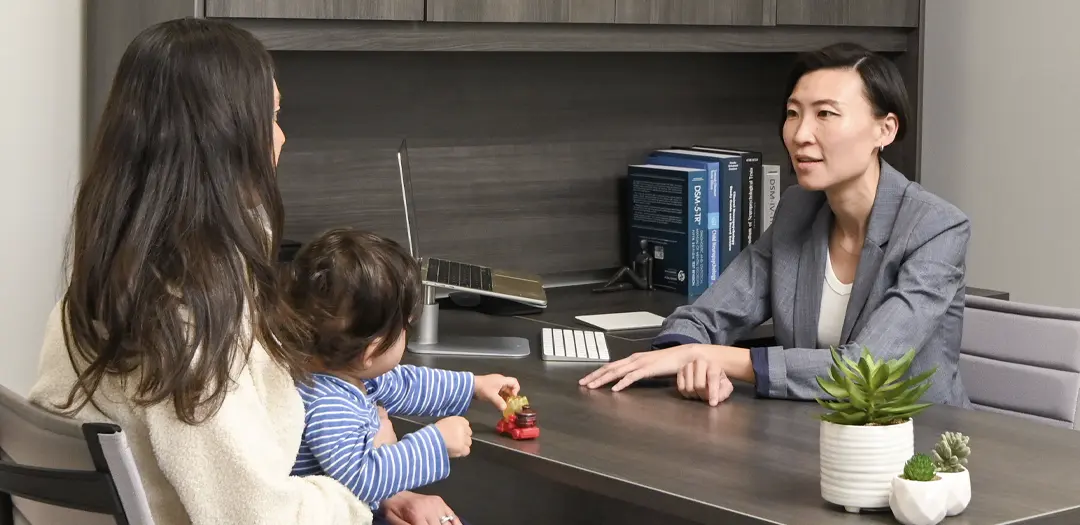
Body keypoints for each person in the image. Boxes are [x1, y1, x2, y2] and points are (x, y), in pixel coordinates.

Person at [26, 18, 375, 524]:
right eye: (271, 117)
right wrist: (355, 503)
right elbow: (258, 517)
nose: (281, 139)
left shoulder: (93, 297)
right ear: (223, 138)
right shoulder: (189, 322)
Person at [581, 42, 972, 409]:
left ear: (884, 130)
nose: (800, 135)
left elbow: (865, 372)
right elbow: (706, 315)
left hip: (922, 453)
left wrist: (718, 357)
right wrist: (692, 360)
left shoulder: (936, 228)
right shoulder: (797, 209)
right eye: (793, 113)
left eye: (826, 114)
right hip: (809, 434)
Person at [284, 227, 520, 525]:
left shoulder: (349, 371)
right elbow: (363, 479)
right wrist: (437, 442)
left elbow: (407, 384)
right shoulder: (327, 404)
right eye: (405, 327)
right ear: (371, 351)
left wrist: (475, 385)